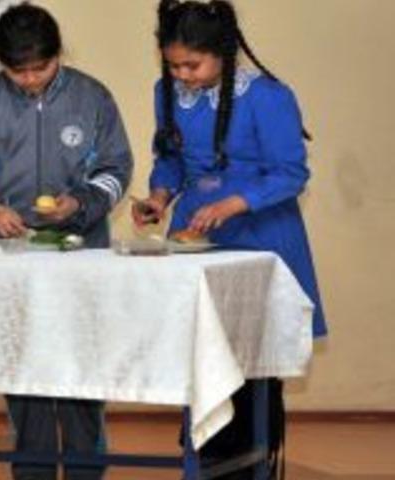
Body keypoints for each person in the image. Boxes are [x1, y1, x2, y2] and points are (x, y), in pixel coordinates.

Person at [132, 1, 327, 478]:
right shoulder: (168, 91)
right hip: (196, 236)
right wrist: (159, 197)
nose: (182, 75)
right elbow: (172, 159)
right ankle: (205, 457)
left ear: (221, 53)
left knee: (251, 364)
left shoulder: (268, 96)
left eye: (191, 65)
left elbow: (290, 173)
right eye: (173, 65)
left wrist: (233, 204)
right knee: (202, 354)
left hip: (260, 234)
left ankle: (248, 463)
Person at [0, 3, 133, 479]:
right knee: (22, 365)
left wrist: (83, 202)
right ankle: (32, 471)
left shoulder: (93, 99)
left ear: (59, 55)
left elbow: (115, 169)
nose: (29, 80)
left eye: (40, 68)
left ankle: (88, 468)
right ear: (0, 64)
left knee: (82, 365)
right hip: (9, 257)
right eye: (17, 71)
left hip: (80, 252)